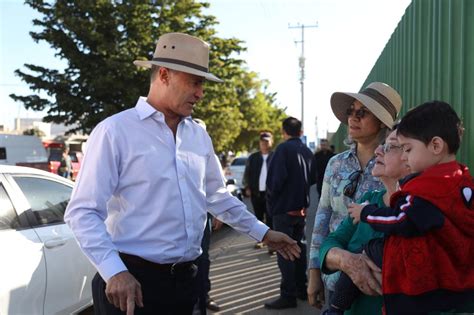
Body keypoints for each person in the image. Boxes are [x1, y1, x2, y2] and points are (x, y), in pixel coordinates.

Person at [64, 32, 300, 315]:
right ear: (164, 74)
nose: (200, 93)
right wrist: (114, 271)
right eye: (195, 82)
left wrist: (263, 232)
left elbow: (216, 196)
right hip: (132, 286)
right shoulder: (114, 132)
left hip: (188, 281)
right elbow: (82, 212)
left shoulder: (198, 135)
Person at [331, 101, 474, 315]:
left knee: (368, 250)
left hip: (418, 293)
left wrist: (366, 213)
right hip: (452, 288)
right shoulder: (462, 181)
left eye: (406, 149)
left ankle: (334, 308)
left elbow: (401, 218)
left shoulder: (426, 188)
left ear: (436, 146)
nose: (405, 156)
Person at [308, 82, 402, 309]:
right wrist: (314, 274)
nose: (353, 118)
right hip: (335, 275)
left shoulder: (396, 165)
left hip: (377, 282)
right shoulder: (335, 163)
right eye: (351, 111)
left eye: (362, 113)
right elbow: (322, 219)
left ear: (382, 122)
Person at [318, 125, 409, 315]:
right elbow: (330, 242)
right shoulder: (367, 201)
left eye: (389, 146)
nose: (378, 150)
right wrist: (347, 260)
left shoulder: (418, 212)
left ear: (411, 156)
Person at [263, 117, 313, 309]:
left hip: (283, 209)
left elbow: (274, 182)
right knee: (299, 249)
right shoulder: (307, 151)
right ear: (300, 132)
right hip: (301, 209)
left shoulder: (283, 149)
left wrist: (271, 205)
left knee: (284, 251)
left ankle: (288, 295)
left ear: (284, 132)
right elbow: (313, 179)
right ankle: (302, 289)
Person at [243, 130, 274, 249]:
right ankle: (260, 240)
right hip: (256, 192)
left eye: (267, 142)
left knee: (271, 217)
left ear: (271, 142)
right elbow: (247, 173)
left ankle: (271, 243)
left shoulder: (275, 156)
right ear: (259, 143)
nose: (264, 144)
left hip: (271, 193)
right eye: (262, 142)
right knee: (258, 218)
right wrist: (247, 187)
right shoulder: (253, 157)